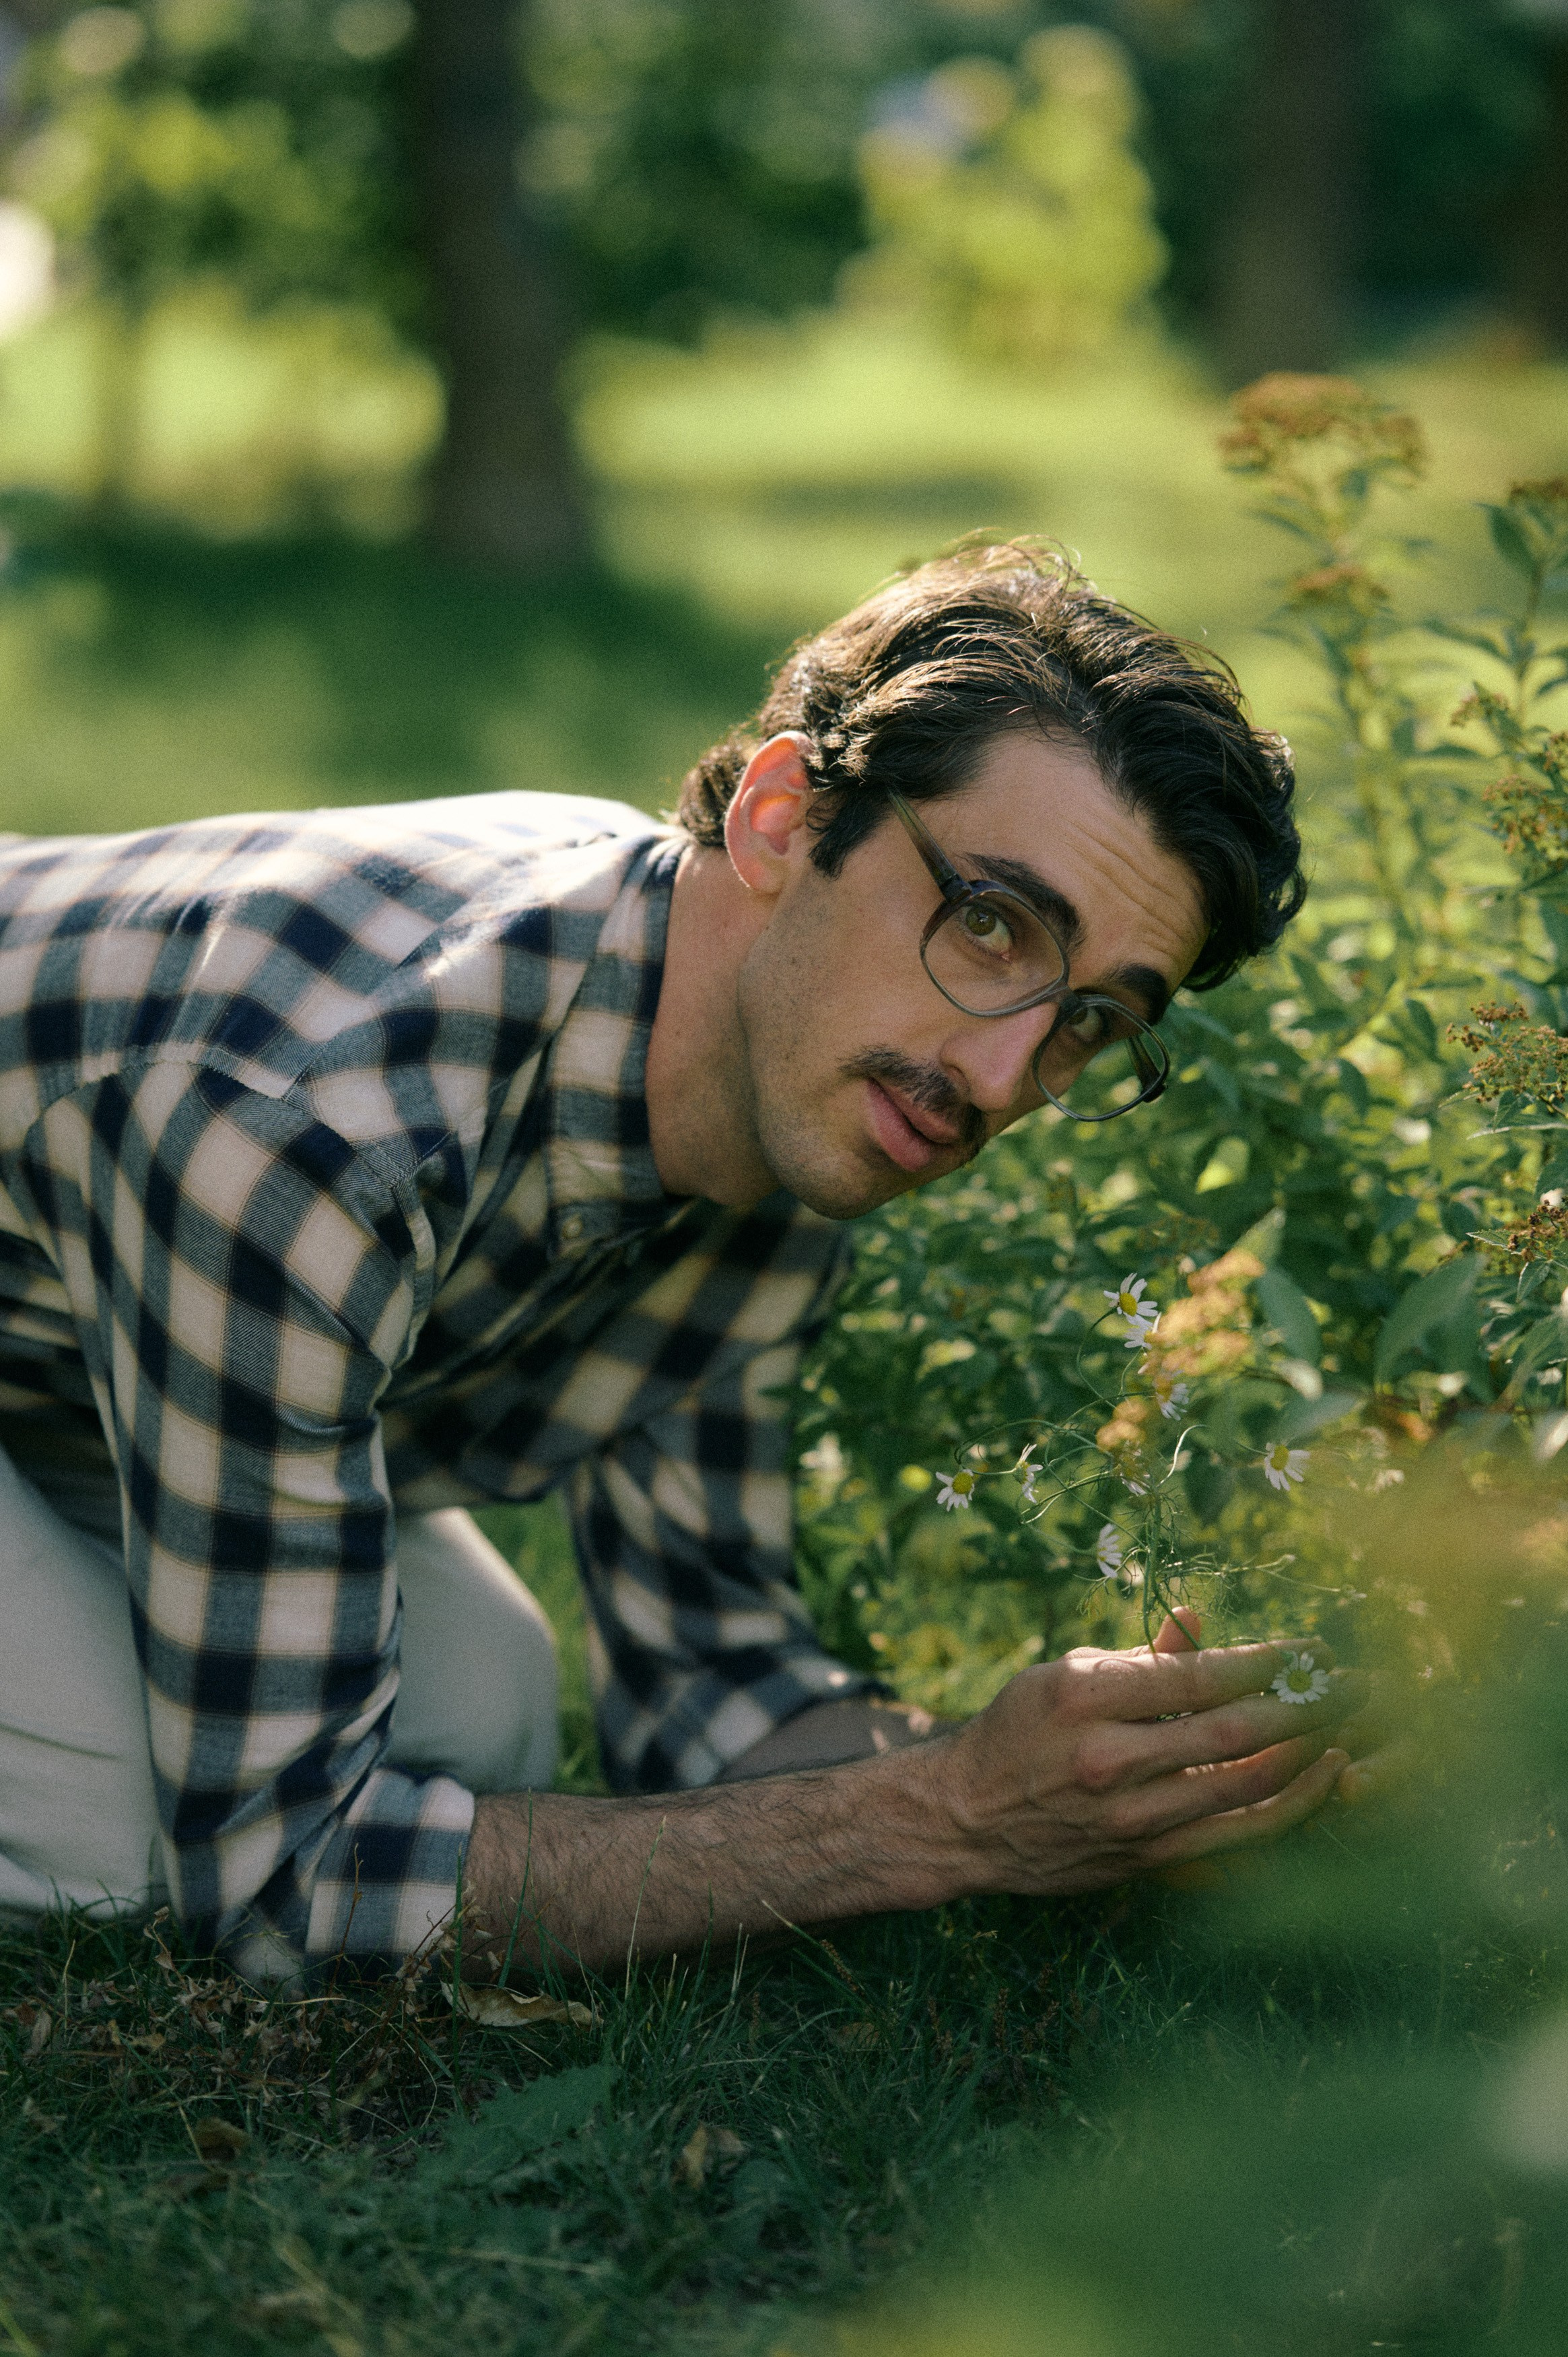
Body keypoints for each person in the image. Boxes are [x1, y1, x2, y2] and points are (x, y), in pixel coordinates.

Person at [0, 541, 1367, 1984]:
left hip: (61, 1351)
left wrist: (1119, 1788)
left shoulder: (792, 1087)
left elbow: (708, 1677)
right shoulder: (319, 1130)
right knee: (119, 1831)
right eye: (989, 925)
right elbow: (288, 1888)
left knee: (480, 1710)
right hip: (165, 1217)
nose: (999, 1075)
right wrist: (946, 1820)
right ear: (783, 819)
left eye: (1088, 1020)